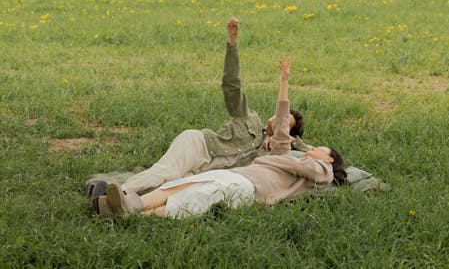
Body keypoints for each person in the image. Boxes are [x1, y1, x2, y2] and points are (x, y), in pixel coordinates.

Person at [91, 19, 306, 212]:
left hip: (209, 171)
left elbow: (307, 155)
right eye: (281, 114)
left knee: (171, 187)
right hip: (200, 147)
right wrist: (232, 44)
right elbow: (232, 86)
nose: (280, 119)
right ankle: (114, 195)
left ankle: (121, 206)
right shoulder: (250, 118)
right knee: (164, 172)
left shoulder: (272, 159)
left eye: (286, 121)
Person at [103, 56, 347, 219]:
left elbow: (307, 160)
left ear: (329, 160)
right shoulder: (280, 153)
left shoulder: (318, 170)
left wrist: (297, 150)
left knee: (192, 197)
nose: (314, 149)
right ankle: (128, 203)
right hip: (229, 170)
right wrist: (284, 81)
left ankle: (129, 213)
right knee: (176, 186)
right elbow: (281, 121)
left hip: (249, 186)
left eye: (320, 149)